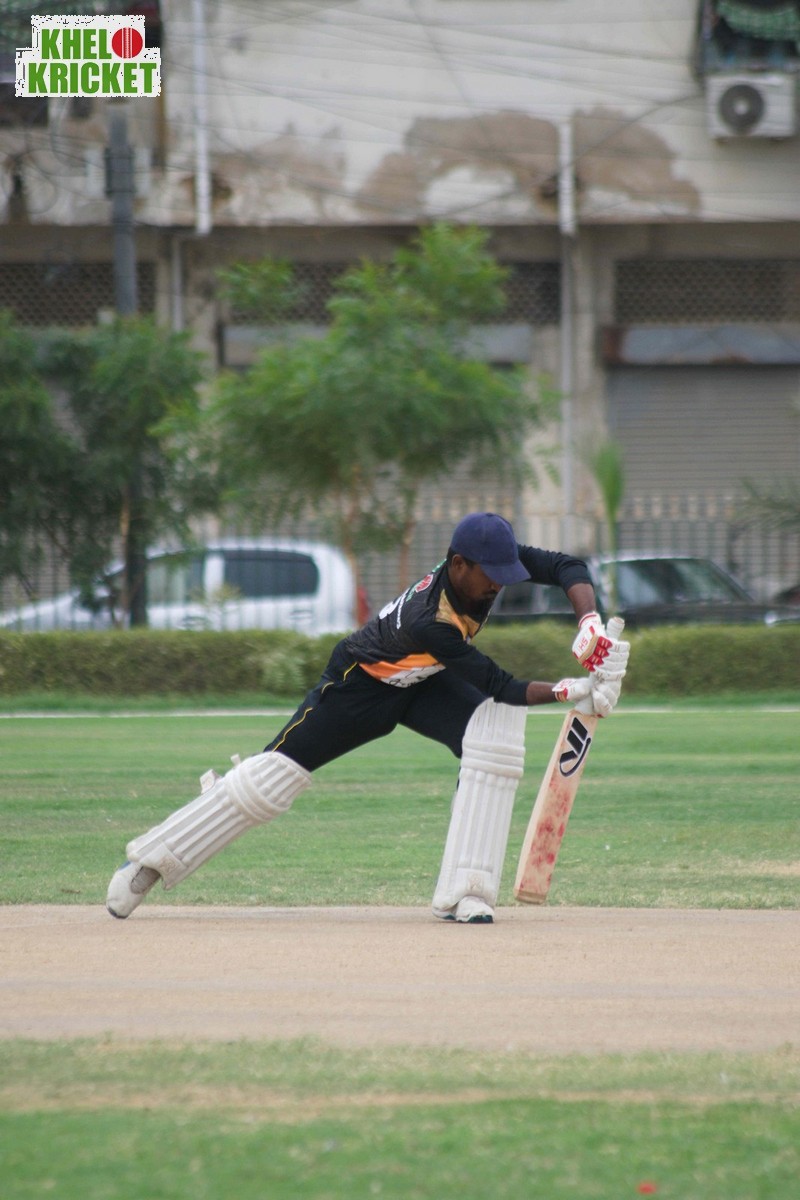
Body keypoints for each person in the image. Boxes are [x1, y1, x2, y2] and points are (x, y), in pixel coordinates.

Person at [106, 512, 629, 924]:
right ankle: (153, 860)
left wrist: (588, 622)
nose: (499, 586)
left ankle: (466, 891)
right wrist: (574, 689)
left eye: (504, 574)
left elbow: (568, 567)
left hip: (423, 682)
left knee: (491, 733)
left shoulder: (485, 567)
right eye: (491, 576)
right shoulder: (429, 620)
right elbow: (500, 683)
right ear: (458, 564)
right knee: (270, 779)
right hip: (359, 687)